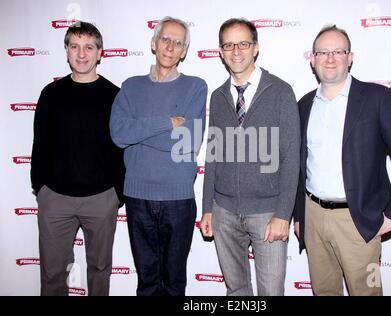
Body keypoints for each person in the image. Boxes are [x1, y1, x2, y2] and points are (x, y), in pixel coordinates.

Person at [294, 25, 391, 296]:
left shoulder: (377, 98)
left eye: (338, 51)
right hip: (313, 218)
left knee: (368, 293)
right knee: (323, 292)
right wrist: (299, 216)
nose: (330, 58)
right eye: (323, 52)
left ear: (350, 57)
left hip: (359, 220)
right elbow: (300, 167)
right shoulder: (304, 105)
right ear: (312, 59)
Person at [200, 18, 300, 296]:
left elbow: (292, 157)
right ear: (220, 52)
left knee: (270, 292)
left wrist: (283, 214)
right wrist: (208, 207)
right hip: (224, 213)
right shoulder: (218, 96)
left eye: (243, 43)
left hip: (268, 214)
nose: (236, 51)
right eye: (228, 45)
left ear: (255, 48)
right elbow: (213, 155)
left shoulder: (280, 91)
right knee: (236, 291)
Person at [110, 16, 207, 296]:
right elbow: (118, 134)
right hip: (137, 197)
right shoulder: (130, 86)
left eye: (178, 43)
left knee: (174, 283)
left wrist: (139, 130)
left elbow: (188, 141)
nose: (170, 46)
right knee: (147, 282)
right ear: (154, 43)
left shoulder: (196, 87)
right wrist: (166, 122)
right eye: (165, 39)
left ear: (184, 51)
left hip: (178, 199)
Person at [30, 21, 125, 296]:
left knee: (99, 270)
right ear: (67, 51)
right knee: (52, 273)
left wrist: (116, 195)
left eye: (88, 47)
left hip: (101, 199)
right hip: (55, 199)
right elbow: (41, 143)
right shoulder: (51, 94)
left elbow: (121, 149)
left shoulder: (115, 96)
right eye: (75, 47)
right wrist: (42, 189)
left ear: (100, 53)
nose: (81, 54)